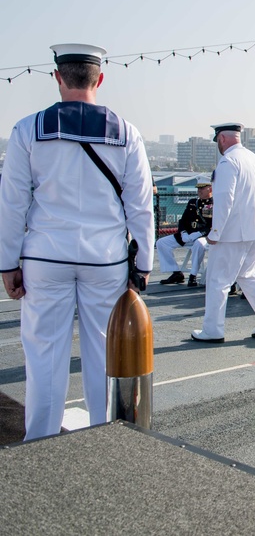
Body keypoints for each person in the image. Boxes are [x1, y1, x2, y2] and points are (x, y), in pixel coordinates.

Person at [0, 43, 154, 440]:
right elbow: (140, 207)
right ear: (99, 79)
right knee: (104, 355)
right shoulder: (126, 132)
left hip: (45, 256)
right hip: (104, 259)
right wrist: (144, 264)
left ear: (58, 78)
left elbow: (13, 204)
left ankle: (40, 441)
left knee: (44, 357)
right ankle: (101, 439)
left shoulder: (27, 130)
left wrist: (7, 264)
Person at [191, 123, 255, 343]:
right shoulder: (254, 159)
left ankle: (212, 330)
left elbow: (225, 200)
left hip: (234, 232)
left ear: (222, 138)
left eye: (218, 142)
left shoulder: (228, 161)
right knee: (247, 274)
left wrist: (215, 232)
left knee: (217, 280)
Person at [157, 176, 213, 287]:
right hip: (187, 236)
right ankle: (176, 272)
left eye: (202, 188)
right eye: (198, 188)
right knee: (161, 243)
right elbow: (183, 220)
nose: (199, 191)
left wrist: (198, 234)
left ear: (210, 189)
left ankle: (193, 276)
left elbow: (213, 224)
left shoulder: (214, 203)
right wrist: (183, 233)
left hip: (204, 237)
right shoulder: (193, 202)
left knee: (198, 244)